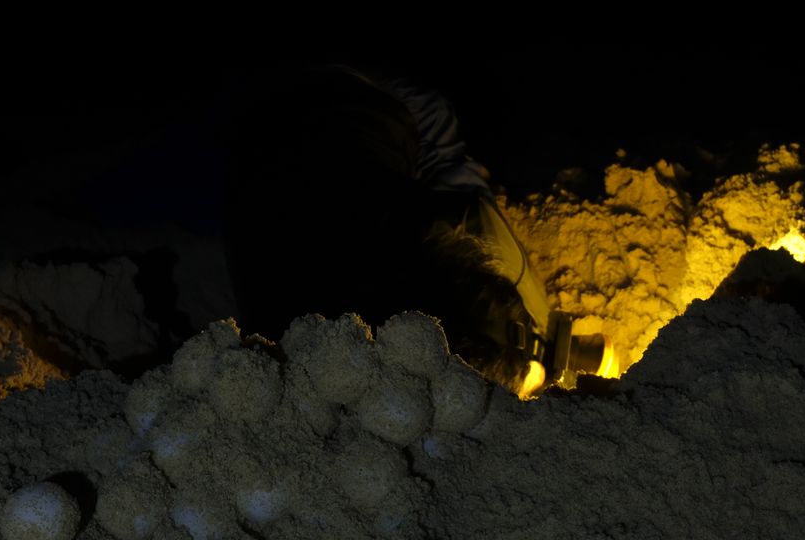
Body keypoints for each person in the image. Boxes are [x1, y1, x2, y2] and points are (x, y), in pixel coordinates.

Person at [223, 63, 609, 396]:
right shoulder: (296, 334)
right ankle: (526, 346)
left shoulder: (399, 238)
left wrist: (525, 361)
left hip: (358, 99)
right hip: (261, 131)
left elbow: (464, 258)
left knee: (471, 223)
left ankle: (537, 337)